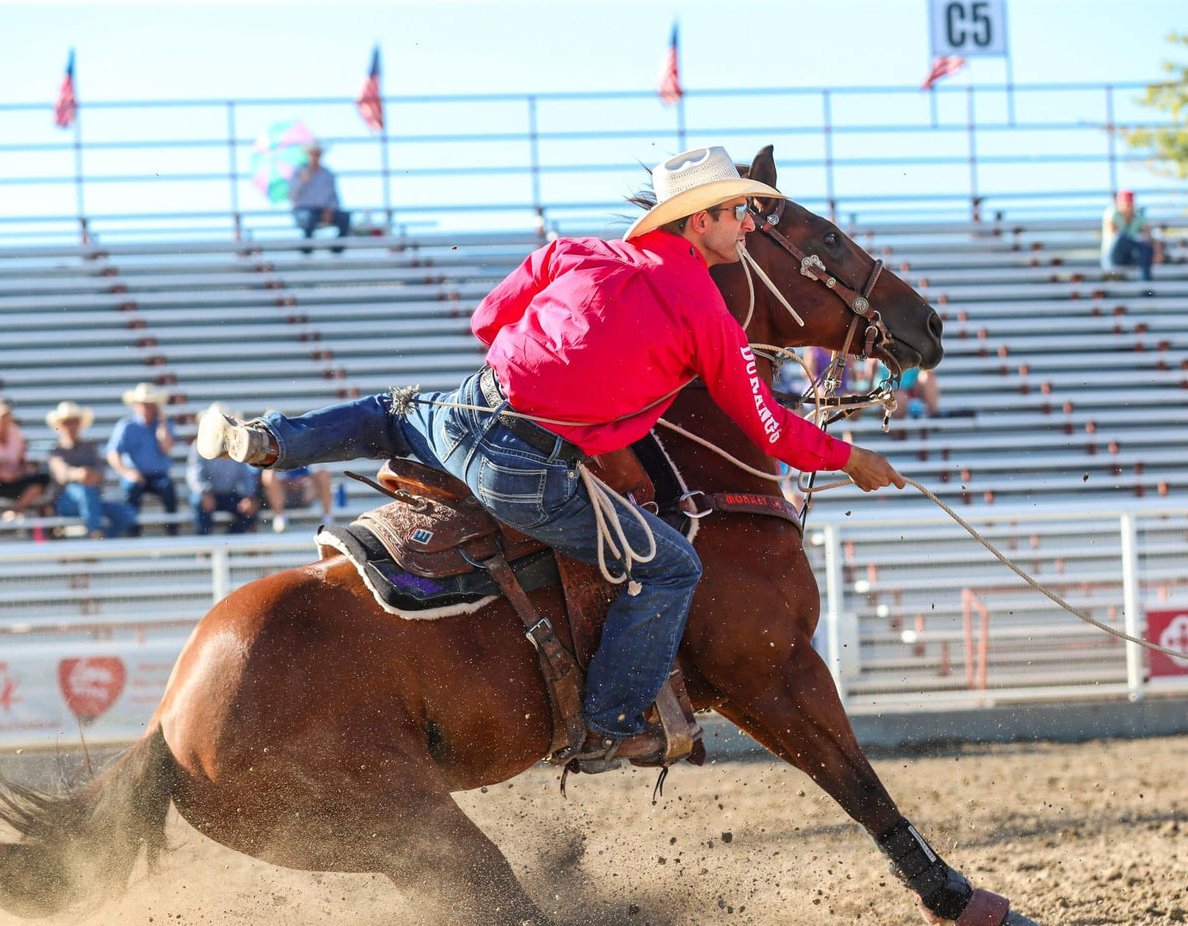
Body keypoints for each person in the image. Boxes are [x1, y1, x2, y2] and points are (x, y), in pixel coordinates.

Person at [197, 145, 904, 765]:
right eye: (733, 213)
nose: (747, 224)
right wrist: (850, 459)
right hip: (525, 468)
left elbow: (487, 318)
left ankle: (273, 438)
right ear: (697, 223)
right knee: (670, 566)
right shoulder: (708, 317)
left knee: (387, 410)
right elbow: (771, 428)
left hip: (466, 410)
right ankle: (614, 719)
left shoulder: (581, 253)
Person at [45, 400, 138, 538]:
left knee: (128, 514)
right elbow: (63, 473)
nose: (71, 426)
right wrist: (81, 474)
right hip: (66, 503)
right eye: (67, 422)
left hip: (92, 501)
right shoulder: (56, 452)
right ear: (61, 426)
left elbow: (99, 472)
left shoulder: (90, 448)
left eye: (74, 422)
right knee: (85, 490)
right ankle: (95, 532)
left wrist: (85, 475)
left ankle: (98, 537)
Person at [107, 382, 179, 535]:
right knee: (131, 491)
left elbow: (166, 447)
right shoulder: (126, 426)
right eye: (144, 404)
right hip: (135, 474)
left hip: (159, 475)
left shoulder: (164, 425)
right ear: (136, 405)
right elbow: (113, 454)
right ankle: (133, 534)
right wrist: (127, 472)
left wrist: (162, 422)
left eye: (150, 404)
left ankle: (172, 533)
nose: (147, 408)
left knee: (169, 490)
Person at [188, 405, 262, 536]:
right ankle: (204, 546)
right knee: (199, 504)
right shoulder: (199, 444)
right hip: (208, 492)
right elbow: (194, 473)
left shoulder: (238, 446)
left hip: (228, 493)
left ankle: (231, 541)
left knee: (249, 510)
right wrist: (204, 491)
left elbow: (246, 474)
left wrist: (250, 497)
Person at [290, 141, 350, 252]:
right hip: (304, 210)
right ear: (308, 155)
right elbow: (292, 196)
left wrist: (330, 209)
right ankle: (307, 249)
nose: (315, 156)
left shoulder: (327, 173)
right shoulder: (299, 172)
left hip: (324, 210)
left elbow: (334, 196)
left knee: (344, 217)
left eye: (317, 153)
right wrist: (302, 181)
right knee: (308, 218)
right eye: (313, 153)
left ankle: (337, 249)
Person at [1101, 189, 1159, 282]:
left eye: (1130, 204)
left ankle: (1146, 287)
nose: (1128, 207)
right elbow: (1114, 234)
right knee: (1122, 239)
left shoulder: (1138, 217)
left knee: (1147, 249)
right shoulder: (1112, 213)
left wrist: (1154, 248)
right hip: (1113, 256)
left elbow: (1148, 235)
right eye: (1126, 204)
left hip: (1128, 255)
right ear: (1119, 204)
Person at [261, 465, 333, 533]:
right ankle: (279, 517)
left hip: (304, 491)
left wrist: (304, 480)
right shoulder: (275, 453)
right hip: (282, 493)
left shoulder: (303, 453)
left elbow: (309, 472)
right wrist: (286, 481)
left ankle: (327, 519)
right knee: (268, 474)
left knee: (323, 473)